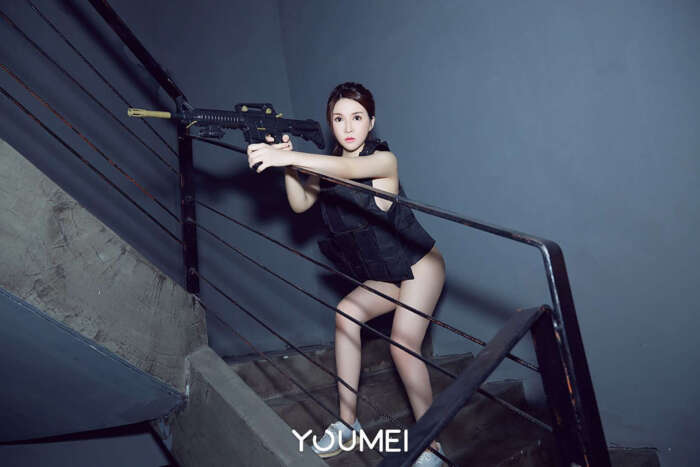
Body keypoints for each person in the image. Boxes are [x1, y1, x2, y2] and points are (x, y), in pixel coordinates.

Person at [247, 82, 446, 466]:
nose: (348, 127)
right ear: (331, 124)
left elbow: (349, 170)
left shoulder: (383, 160)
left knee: (403, 345)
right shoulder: (325, 166)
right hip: (387, 269)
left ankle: (434, 446)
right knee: (347, 313)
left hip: (420, 264)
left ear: (371, 121)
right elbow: (300, 203)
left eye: (357, 117)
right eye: (339, 119)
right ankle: (347, 423)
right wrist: (287, 163)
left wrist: (292, 156)